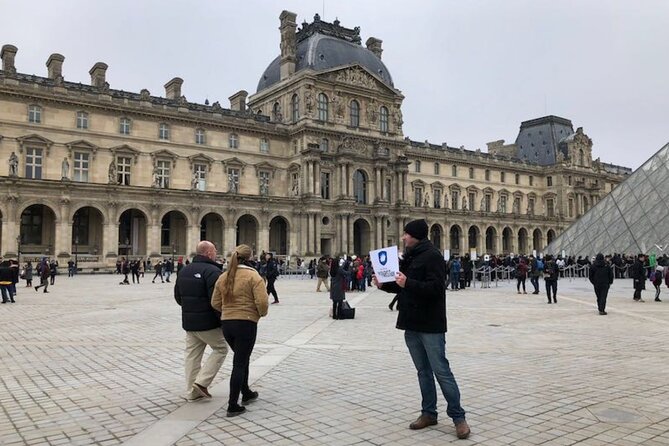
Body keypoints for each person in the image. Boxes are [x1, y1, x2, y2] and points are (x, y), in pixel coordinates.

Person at [372, 219, 470, 440]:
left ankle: (458, 417)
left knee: (441, 371)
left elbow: (436, 288)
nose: (403, 237)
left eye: (406, 234)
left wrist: (408, 284)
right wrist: (383, 285)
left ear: (415, 235)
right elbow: (401, 284)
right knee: (423, 371)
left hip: (430, 324)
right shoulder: (410, 257)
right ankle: (429, 412)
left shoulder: (433, 256)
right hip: (411, 323)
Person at [211, 244, 268, 417]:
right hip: (246, 323)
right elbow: (263, 303)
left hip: (227, 324)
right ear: (250, 257)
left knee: (242, 358)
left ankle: (247, 391)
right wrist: (259, 314)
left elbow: (214, 302)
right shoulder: (253, 276)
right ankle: (233, 404)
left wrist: (227, 311)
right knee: (239, 362)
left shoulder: (224, 276)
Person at [175, 240, 228, 401]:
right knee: (221, 349)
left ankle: (192, 392)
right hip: (208, 322)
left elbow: (178, 297)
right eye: (214, 250)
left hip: (189, 322)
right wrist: (222, 320)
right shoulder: (212, 271)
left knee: (192, 355)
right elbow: (217, 300)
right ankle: (201, 382)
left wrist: (191, 308)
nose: (216, 252)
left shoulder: (184, 270)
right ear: (209, 253)